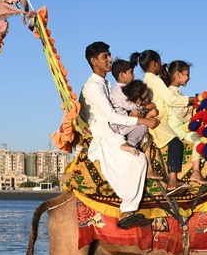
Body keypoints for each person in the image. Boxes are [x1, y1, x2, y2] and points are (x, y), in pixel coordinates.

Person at [78, 42, 159, 229]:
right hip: (106, 136)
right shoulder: (93, 87)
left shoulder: (106, 84)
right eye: (105, 57)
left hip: (114, 129)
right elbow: (111, 116)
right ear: (93, 61)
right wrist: (143, 121)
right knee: (137, 161)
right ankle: (126, 211)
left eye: (109, 55)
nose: (110, 60)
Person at [130, 50, 189, 194]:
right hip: (158, 122)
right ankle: (173, 181)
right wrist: (192, 100)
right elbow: (171, 100)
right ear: (155, 64)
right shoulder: (155, 80)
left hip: (162, 119)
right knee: (176, 144)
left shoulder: (147, 80)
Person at [160, 60, 205, 183]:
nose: (189, 78)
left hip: (180, 125)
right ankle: (195, 171)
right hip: (177, 127)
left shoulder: (176, 92)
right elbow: (181, 113)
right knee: (199, 139)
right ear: (178, 75)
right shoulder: (172, 93)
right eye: (187, 74)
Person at [108, 60, 156, 155]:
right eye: (131, 73)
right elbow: (128, 105)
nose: (133, 76)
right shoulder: (119, 91)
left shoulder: (123, 88)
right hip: (120, 125)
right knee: (143, 127)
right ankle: (129, 144)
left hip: (123, 123)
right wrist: (144, 106)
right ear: (122, 75)